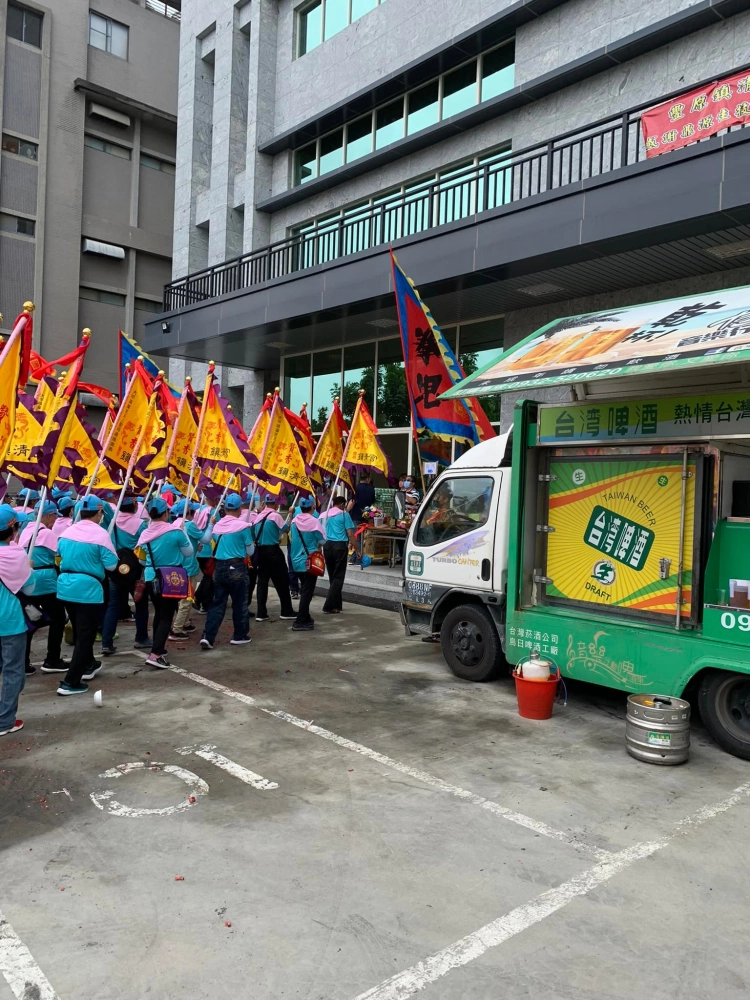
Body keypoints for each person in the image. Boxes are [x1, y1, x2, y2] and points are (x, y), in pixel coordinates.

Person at [56, 495, 118, 696]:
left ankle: (89, 663)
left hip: (65, 587)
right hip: (88, 589)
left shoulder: (67, 532)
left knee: (79, 628)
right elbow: (111, 565)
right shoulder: (100, 534)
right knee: (86, 635)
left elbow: (58, 556)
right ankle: (71, 681)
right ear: (99, 512)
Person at [138, 496, 193, 669]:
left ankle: (158, 647)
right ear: (165, 513)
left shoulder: (145, 534)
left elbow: (141, 559)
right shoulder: (176, 532)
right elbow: (189, 552)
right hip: (171, 578)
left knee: (159, 613)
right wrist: (183, 533)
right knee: (166, 616)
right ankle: (155, 654)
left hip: (151, 577)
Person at [0, 505, 39, 736]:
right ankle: (5, 721)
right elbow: (30, 590)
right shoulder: (16, 555)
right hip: (10, 621)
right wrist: (29, 570)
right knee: (13, 671)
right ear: (13, 530)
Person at [200, 493, 254, 650]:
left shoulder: (217, 527)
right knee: (239, 603)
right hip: (237, 567)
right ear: (240, 508)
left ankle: (208, 637)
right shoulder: (243, 527)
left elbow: (210, 540)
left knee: (217, 603)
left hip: (220, 568)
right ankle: (240, 635)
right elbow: (250, 551)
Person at [19, 500, 67, 676]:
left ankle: (23, 663)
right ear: (48, 515)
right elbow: (59, 552)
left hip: (27, 579)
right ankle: (52, 659)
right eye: (54, 516)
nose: (55, 520)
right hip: (46, 581)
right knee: (58, 619)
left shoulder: (26, 530)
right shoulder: (46, 532)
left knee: (29, 621)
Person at [101, 494, 150, 655]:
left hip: (116, 569)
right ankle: (141, 638)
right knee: (140, 604)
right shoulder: (140, 524)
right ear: (134, 505)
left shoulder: (113, 521)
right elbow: (145, 545)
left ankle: (107, 643)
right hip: (134, 570)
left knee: (113, 606)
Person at [251, 495, 296, 622]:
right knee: (282, 581)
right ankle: (286, 611)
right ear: (276, 504)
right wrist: (290, 515)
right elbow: (287, 530)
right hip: (273, 552)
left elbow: (252, 535)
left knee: (262, 582)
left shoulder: (258, 517)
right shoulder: (275, 516)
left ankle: (261, 613)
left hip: (260, 552)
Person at [289, 497, 325, 632]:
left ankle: (305, 616)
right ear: (312, 507)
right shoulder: (314, 522)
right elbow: (323, 541)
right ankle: (301, 620)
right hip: (310, 561)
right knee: (307, 592)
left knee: (305, 589)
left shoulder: (294, 522)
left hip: (296, 561)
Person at [169, 499, 202, 640]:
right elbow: (205, 538)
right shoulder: (189, 525)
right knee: (186, 600)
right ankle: (177, 629)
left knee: (181, 599)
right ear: (189, 511)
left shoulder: (174, 525)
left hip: (177, 567)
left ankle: (186, 623)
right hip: (188, 568)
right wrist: (211, 524)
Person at [320, 496, 355, 614]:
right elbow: (350, 534)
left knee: (332, 576)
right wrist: (358, 549)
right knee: (338, 577)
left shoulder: (324, 515)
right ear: (341, 505)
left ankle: (337, 604)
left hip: (327, 546)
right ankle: (329, 606)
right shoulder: (344, 515)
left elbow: (319, 532)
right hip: (339, 546)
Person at [348, 473, 376, 563]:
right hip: (366, 517)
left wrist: (346, 511)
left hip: (355, 516)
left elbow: (352, 501)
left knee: (356, 538)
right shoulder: (372, 489)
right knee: (360, 538)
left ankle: (357, 559)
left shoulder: (355, 488)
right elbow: (373, 504)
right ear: (368, 479)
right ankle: (354, 557)